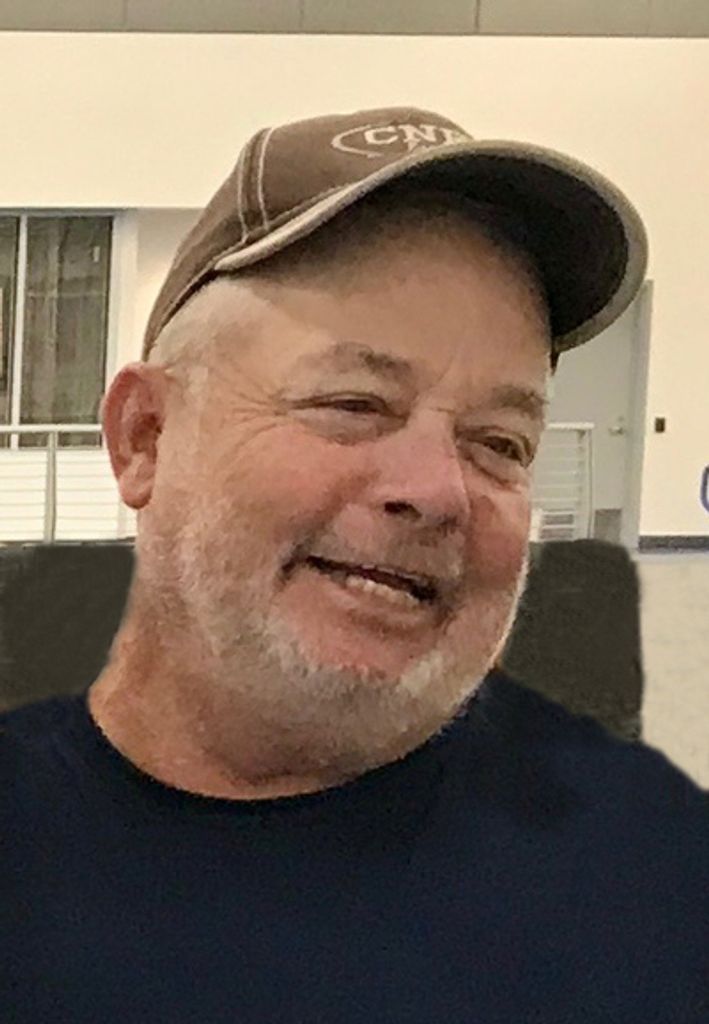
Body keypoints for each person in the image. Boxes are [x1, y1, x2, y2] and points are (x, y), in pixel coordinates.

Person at [1, 107, 706, 1022]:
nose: (438, 490)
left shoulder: (652, 890)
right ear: (146, 437)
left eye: (499, 442)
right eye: (353, 403)